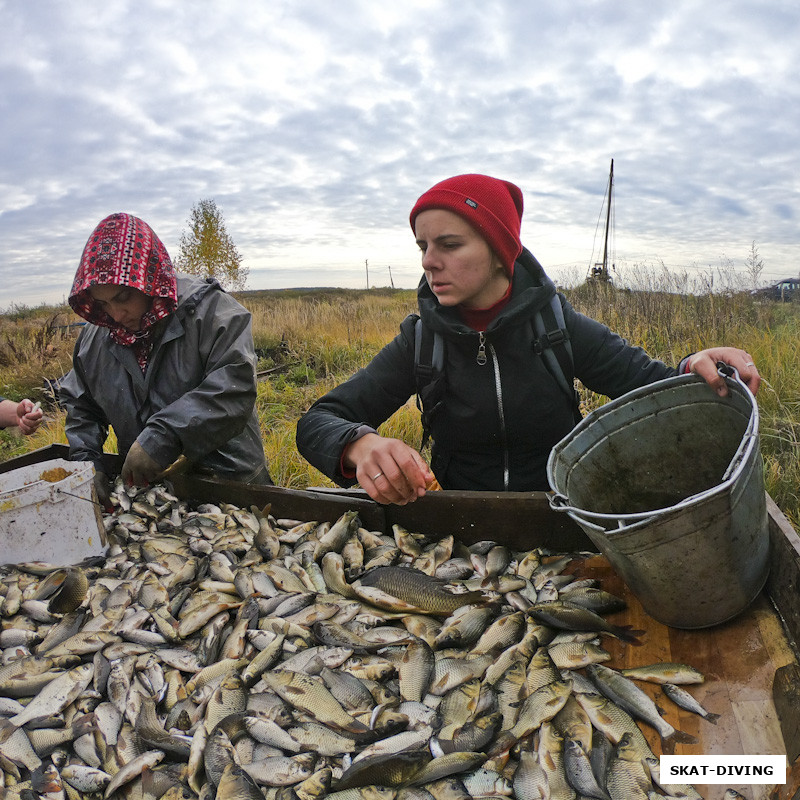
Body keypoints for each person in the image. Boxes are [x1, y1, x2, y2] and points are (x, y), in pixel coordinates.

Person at [296, 173, 760, 506]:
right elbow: (318, 421)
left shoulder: (557, 325)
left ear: (500, 253)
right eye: (423, 246)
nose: (429, 262)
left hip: (561, 517)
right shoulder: (420, 341)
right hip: (460, 528)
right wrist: (360, 446)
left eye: (449, 245)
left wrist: (694, 364)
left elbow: (654, 385)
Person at [59, 212, 270, 508]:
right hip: (148, 497)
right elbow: (82, 407)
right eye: (103, 303)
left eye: (122, 298)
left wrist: (163, 437)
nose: (115, 315)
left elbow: (234, 388)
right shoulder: (94, 340)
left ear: (148, 279)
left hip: (231, 486)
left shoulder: (213, 313)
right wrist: (85, 464)